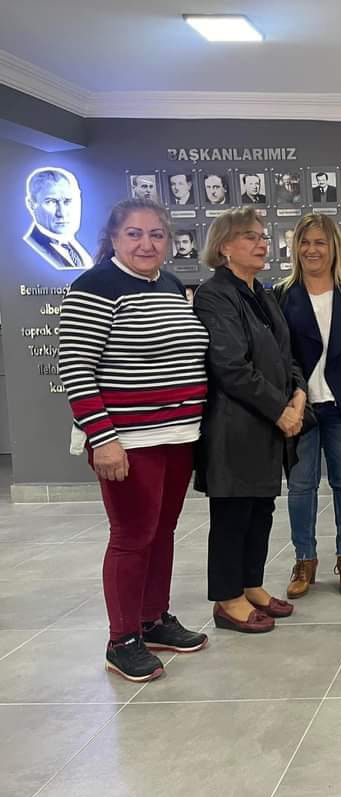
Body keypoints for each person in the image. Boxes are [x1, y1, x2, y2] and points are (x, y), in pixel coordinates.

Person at [58, 197, 210, 682]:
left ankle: (152, 620)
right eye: (135, 234)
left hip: (178, 434)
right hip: (128, 440)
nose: (147, 244)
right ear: (113, 238)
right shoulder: (94, 287)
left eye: (156, 235)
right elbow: (76, 368)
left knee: (161, 532)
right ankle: (121, 640)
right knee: (131, 537)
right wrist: (102, 438)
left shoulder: (169, 284)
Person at [194, 207, 306, 633]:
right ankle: (228, 599)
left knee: (260, 509)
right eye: (250, 237)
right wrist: (280, 410)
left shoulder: (263, 293)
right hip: (235, 426)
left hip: (269, 424)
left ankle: (250, 584)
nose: (262, 243)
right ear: (224, 246)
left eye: (262, 236)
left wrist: (298, 394)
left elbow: (285, 353)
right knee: (233, 514)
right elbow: (230, 366)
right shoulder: (214, 295)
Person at [276, 214, 341, 598]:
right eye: (305, 243)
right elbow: (276, 356)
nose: (312, 250)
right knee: (301, 487)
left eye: (319, 242)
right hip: (299, 411)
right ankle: (304, 560)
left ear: (334, 248)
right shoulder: (281, 296)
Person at [22, 167, 93, 269]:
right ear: (31, 204)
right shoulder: (30, 248)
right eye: (51, 202)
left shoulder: (77, 248)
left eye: (67, 201)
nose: (62, 213)